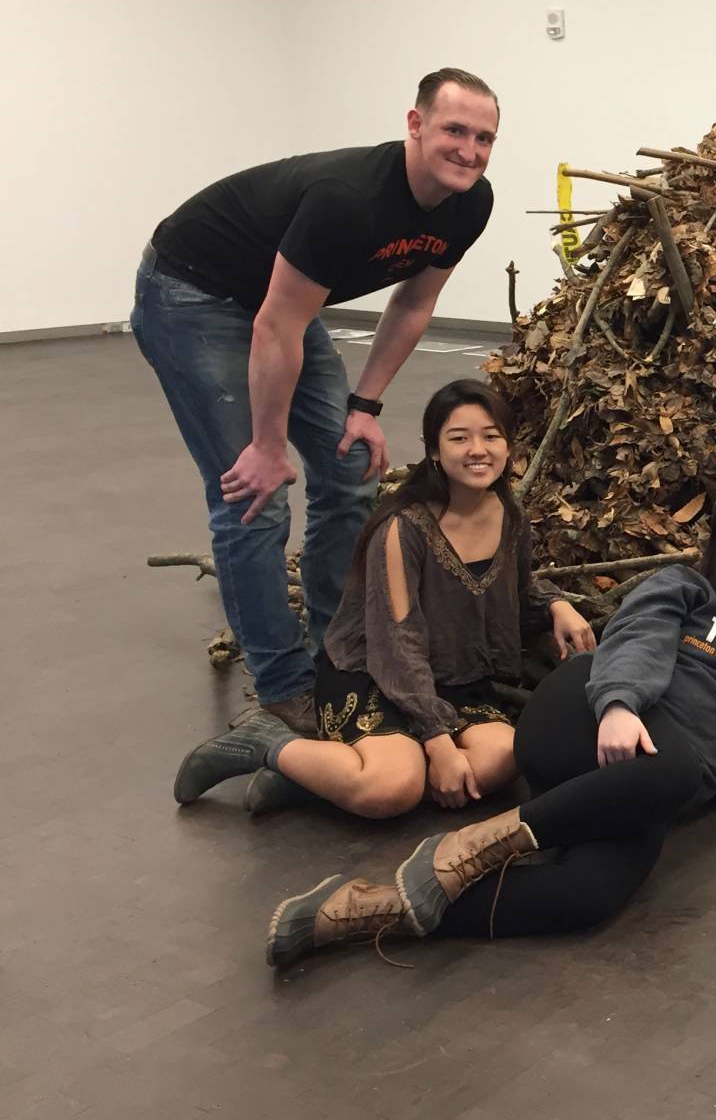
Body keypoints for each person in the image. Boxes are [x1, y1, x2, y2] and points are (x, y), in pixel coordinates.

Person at [263, 477, 716, 966]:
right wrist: (619, 704)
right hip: (585, 719)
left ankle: (361, 912)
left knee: (586, 897)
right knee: (677, 767)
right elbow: (637, 639)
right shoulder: (686, 587)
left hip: (654, 783)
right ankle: (475, 846)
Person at [132, 69, 500, 735]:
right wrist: (267, 446)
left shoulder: (469, 203)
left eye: (483, 138)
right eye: (453, 130)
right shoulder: (348, 200)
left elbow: (415, 302)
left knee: (349, 471)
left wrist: (366, 406)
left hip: (280, 308)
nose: (468, 150)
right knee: (255, 496)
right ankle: (283, 682)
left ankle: (338, 649)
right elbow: (274, 326)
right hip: (193, 291)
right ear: (415, 126)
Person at [172, 379, 596, 817]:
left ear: (508, 447)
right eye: (459, 438)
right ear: (434, 450)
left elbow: (518, 590)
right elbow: (398, 642)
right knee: (391, 791)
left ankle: (321, 777)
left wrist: (556, 605)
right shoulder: (402, 527)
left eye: (491, 436)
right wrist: (438, 742)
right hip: (376, 674)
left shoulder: (509, 514)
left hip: (454, 676)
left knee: (505, 758)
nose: (478, 449)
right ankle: (269, 745)